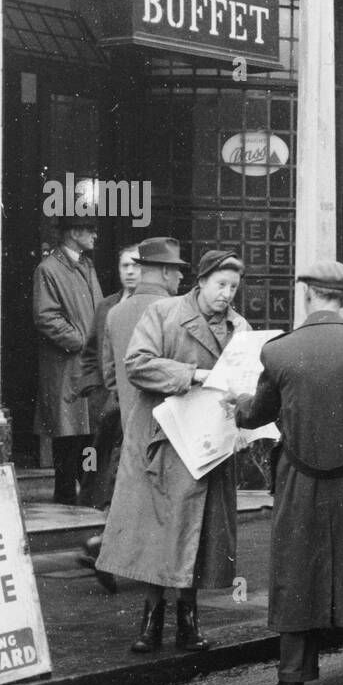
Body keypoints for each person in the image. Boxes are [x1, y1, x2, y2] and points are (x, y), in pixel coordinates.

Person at [229, 260, 343, 685]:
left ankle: (291, 678)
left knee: (297, 568)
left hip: (298, 478)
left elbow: (257, 414)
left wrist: (238, 406)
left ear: (307, 295)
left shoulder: (278, 350)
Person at [97, 245, 249, 653]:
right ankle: (150, 625)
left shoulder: (240, 328)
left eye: (233, 287)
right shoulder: (163, 315)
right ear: (200, 282)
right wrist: (194, 374)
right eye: (221, 285)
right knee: (158, 538)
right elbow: (137, 364)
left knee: (197, 540)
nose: (227, 294)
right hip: (165, 445)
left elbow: (247, 380)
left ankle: (188, 622)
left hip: (210, 447)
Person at [76, 244, 141, 590]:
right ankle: (107, 546)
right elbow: (90, 353)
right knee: (106, 479)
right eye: (124, 264)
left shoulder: (152, 308)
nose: (129, 271)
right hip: (110, 411)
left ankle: (106, 547)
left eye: (136, 265)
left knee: (124, 480)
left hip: (139, 409)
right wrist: (95, 393)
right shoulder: (106, 307)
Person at [32, 218, 104, 504]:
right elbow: (45, 316)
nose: (96, 236)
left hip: (87, 366)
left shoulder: (86, 265)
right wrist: (83, 341)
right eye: (91, 230)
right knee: (68, 436)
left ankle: (86, 491)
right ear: (75, 233)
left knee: (87, 435)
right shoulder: (48, 269)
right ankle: (65, 495)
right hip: (67, 367)